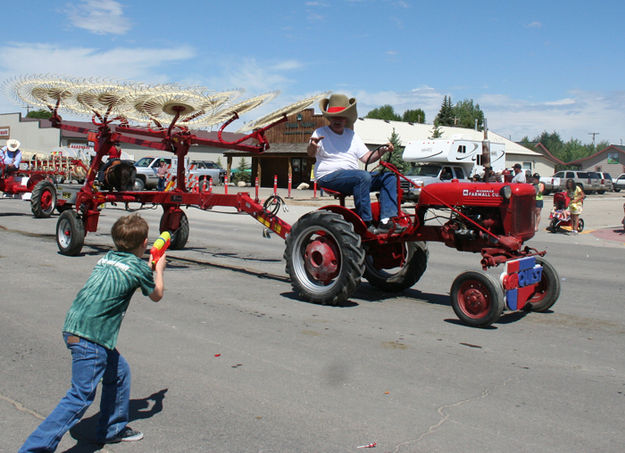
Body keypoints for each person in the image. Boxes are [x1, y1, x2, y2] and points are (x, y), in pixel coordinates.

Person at [20, 214, 167, 451]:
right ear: (144, 242)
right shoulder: (140, 267)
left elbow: (132, 270)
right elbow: (156, 293)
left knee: (119, 373)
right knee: (79, 397)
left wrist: (148, 265)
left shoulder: (108, 257)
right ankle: (33, 449)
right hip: (92, 338)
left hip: (73, 328)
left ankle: (112, 428)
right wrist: (159, 268)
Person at [308, 94, 403, 234]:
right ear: (329, 118)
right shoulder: (320, 132)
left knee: (388, 176)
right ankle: (366, 223)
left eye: (341, 116)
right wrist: (313, 146)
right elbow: (310, 153)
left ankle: (386, 220)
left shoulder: (352, 135)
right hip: (328, 176)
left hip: (354, 177)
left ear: (346, 118)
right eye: (334, 117)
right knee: (362, 176)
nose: (337, 120)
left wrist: (382, 150)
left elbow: (366, 158)